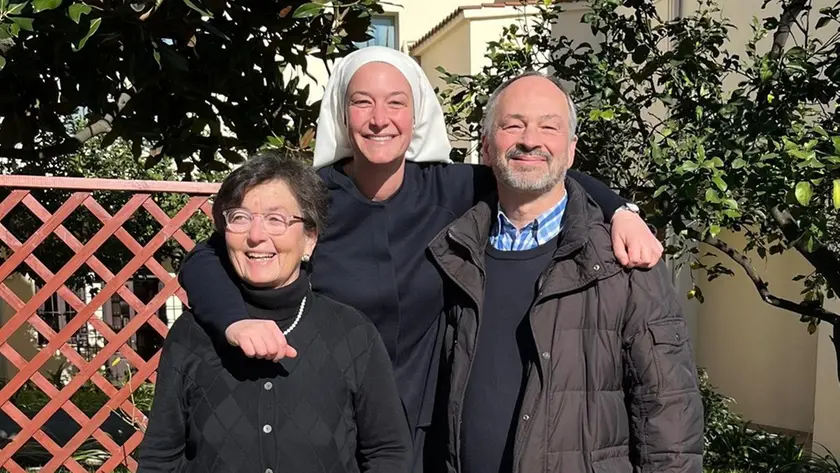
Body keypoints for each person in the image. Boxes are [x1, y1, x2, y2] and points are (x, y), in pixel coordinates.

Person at [176, 46, 664, 472]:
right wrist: (236, 321)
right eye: (362, 102)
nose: (379, 117)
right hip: (327, 422)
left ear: (417, 115)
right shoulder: (313, 197)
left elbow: (539, 167)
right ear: (342, 115)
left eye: (395, 102)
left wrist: (621, 210)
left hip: (424, 429)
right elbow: (205, 259)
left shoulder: (451, 190)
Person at [428, 71, 703, 473]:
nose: (530, 140)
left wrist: (623, 211)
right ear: (486, 147)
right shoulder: (456, 254)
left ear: (571, 151)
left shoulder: (622, 261)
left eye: (548, 127)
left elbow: (668, 409)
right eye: (513, 125)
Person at [137, 152, 411, 473]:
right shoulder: (191, 334)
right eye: (240, 217)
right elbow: (160, 458)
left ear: (309, 239)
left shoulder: (353, 334)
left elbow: (388, 452)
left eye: (276, 219)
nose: (256, 235)